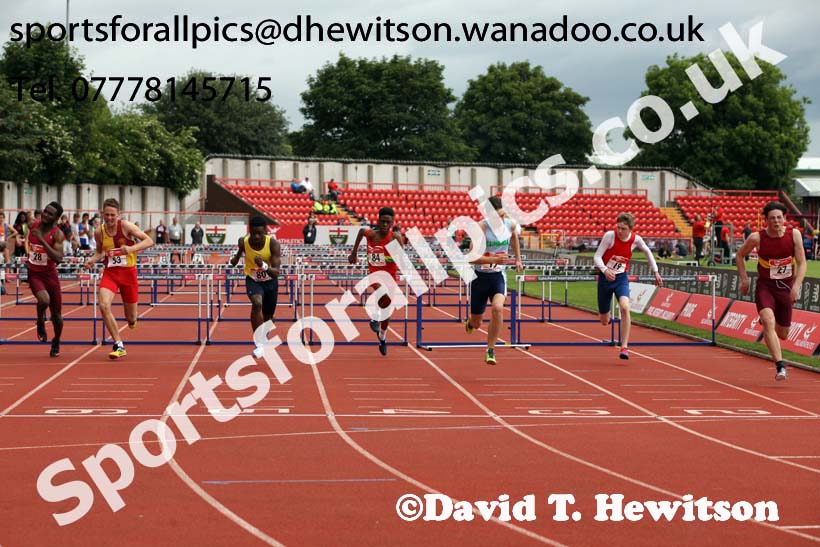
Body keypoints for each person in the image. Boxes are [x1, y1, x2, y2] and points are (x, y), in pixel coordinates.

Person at [736, 202, 807, 381]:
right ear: (766, 220)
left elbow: (802, 263)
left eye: (779, 218)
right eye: (772, 218)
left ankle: (768, 323)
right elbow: (740, 255)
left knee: (783, 334)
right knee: (768, 320)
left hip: (786, 287)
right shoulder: (756, 238)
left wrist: (796, 286)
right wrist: (744, 279)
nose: (776, 221)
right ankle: (780, 366)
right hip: (766, 286)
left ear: (784, 218)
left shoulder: (794, 235)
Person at [85, 198, 154, 359]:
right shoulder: (99, 232)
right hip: (111, 273)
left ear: (118, 215)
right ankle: (119, 345)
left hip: (128, 274)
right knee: (103, 305)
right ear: (102, 214)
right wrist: (91, 260)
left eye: (112, 215)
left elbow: (149, 241)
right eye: (106, 215)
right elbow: (100, 252)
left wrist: (131, 248)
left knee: (131, 317)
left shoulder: (126, 226)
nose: (109, 218)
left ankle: (132, 321)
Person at [594, 212, 663, 360]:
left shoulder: (635, 239)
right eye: (618, 227)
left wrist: (656, 272)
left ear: (630, 229)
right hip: (605, 279)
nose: (620, 231)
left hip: (621, 278)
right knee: (604, 321)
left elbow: (648, 252)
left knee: (625, 307)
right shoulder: (609, 236)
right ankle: (607, 316)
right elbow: (597, 256)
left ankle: (624, 347)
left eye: (623, 229)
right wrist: (605, 270)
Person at [463, 196, 523, 365]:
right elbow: (471, 257)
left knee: (498, 308)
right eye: (497, 217)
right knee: (477, 323)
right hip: (480, 278)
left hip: (497, 276)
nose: (500, 220)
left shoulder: (509, 225)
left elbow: (514, 237)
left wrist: (518, 259)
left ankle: (490, 350)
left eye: (502, 216)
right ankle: (471, 323)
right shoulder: (481, 228)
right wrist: (494, 260)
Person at [348, 207, 406, 356]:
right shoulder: (371, 235)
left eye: (388, 222)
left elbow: (401, 257)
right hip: (375, 274)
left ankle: (382, 336)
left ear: (392, 223)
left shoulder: (395, 237)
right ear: (378, 221)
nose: (385, 224)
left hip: (390, 276)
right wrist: (354, 253)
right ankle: (374, 316)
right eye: (383, 221)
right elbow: (361, 232)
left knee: (387, 310)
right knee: (382, 292)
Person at [229, 216, 282, 359]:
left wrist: (263, 265)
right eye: (253, 233)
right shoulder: (244, 242)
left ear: (266, 231)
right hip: (253, 280)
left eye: (260, 233)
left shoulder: (273, 244)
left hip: (270, 282)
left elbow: (276, 273)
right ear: (249, 231)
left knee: (269, 317)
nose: (257, 236)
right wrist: (234, 259)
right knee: (257, 303)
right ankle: (259, 344)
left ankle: (264, 333)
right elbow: (237, 256)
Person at [26, 202, 66, 357]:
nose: (46, 215)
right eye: (45, 211)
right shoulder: (32, 225)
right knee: (44, 300)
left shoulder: (57, 234)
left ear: (56, 218)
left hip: (50, 275)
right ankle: (40, 320)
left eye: (50, 214)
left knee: (57, 315)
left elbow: (59, 258)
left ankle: (56, 340)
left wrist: (42, 241)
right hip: (34, 273)